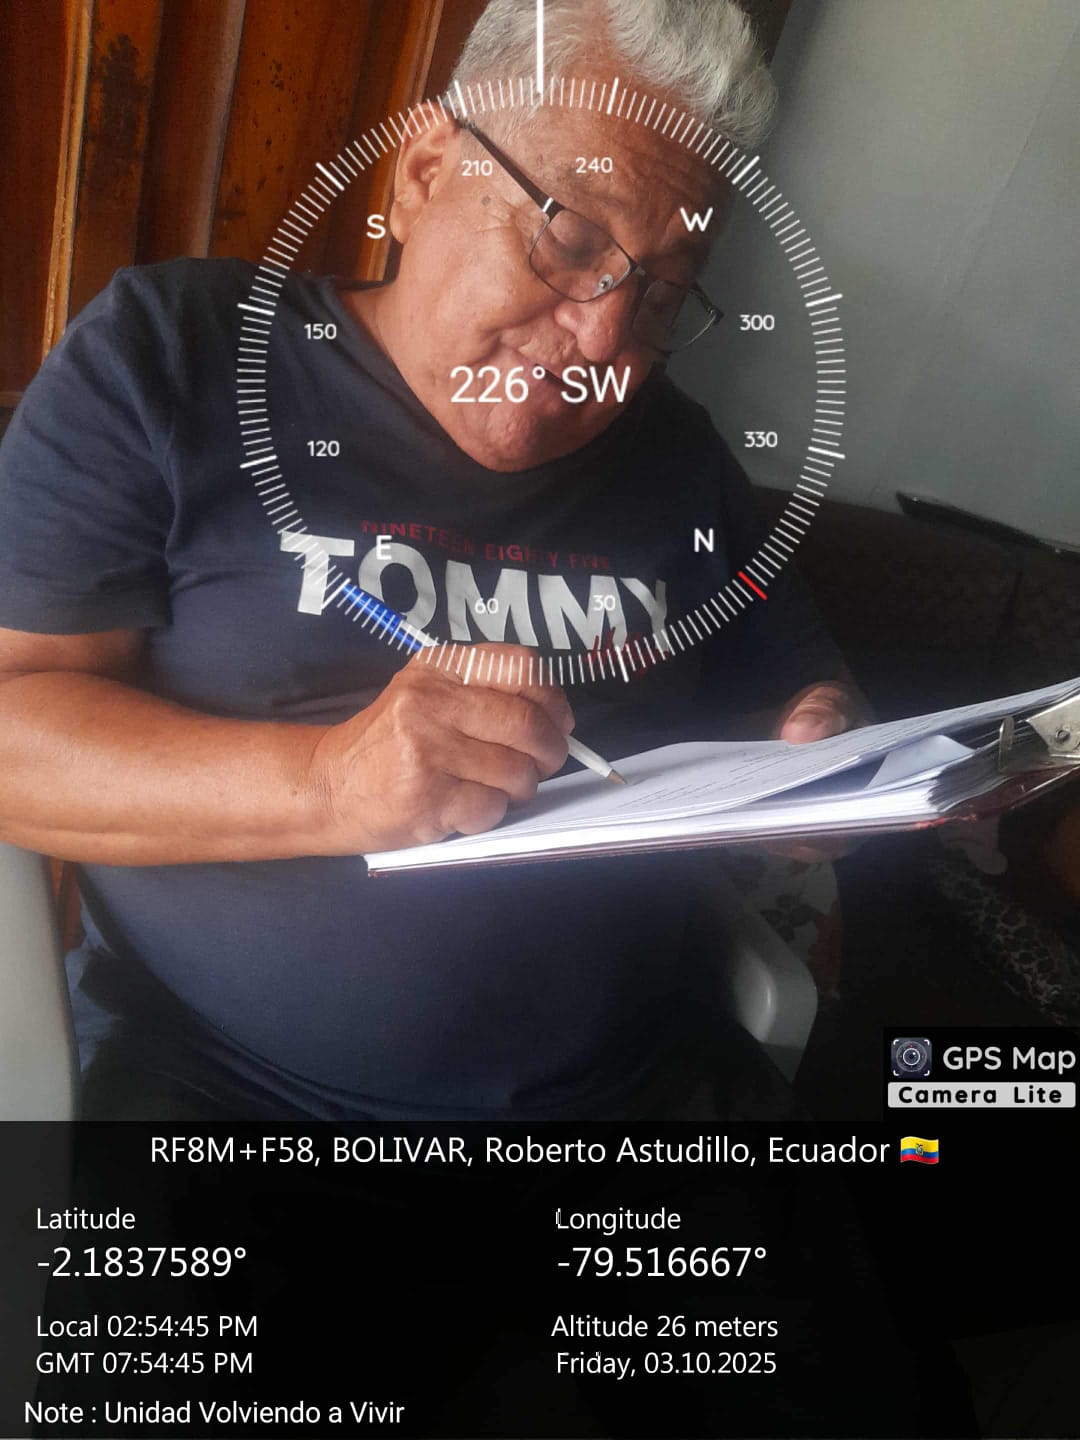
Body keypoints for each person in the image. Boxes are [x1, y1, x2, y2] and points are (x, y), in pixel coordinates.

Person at [0, 0, 867, 1122]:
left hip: (638, 1086)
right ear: (421, 173)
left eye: (659, 291)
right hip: (233, 1093)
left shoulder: (683, 460)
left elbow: (804, 702)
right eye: (571, 239)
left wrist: (821, 751)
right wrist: (330, 787)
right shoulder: (175, 356)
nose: (606, 341)